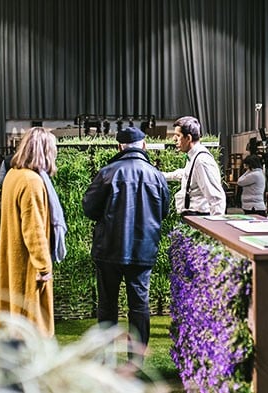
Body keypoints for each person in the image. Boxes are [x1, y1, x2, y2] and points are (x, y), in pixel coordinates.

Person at [82, 126, 170, 369]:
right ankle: (137, 361)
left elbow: (89, 208)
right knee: (139, 306)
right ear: (143, 146)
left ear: (119, 146)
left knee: (107, 305)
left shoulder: (107, 172)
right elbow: (163, 212)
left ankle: (106, 360)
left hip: (108, 249)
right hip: (143, 251)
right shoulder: (156, 175)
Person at [0, 127, 58, 337]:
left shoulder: (13, 175)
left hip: (13, 257)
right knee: (31, 324)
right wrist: (44, 266)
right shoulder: (31, 182)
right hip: (28, 263)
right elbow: (34, 229)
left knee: (15, 317)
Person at [163, 116, 225, 216]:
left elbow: (216, 198)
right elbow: (186, 174)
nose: (174, 139)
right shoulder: (194, 156)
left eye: (178, 135)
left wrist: (215, 227)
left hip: (199, 217)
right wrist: (161, 175)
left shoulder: (202, 161)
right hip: (193, 216)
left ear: (188, 138)